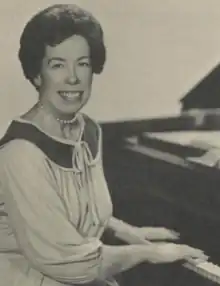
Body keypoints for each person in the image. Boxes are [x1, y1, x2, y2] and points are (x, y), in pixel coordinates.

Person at [0, 4, 207, 286]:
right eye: (57, 64)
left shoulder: (88, 132)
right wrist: (148, 252)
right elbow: (71, 264)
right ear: (37, 74)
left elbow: (79, 211)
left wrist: (128, 232)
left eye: (82, 63)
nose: (73, 77)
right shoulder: (20, 154)